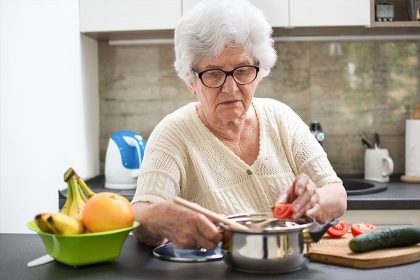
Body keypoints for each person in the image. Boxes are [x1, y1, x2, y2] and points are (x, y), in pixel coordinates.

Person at [131, 0, 347, 250]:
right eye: (213, 73)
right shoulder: (174, 134)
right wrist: (159, 220)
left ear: (260, 69)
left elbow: (336, 194)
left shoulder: (281, 117)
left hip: (293, 267)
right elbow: (140, 214)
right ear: (191, 81)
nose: (231, 88)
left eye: (243, 70)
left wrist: (313, 202)